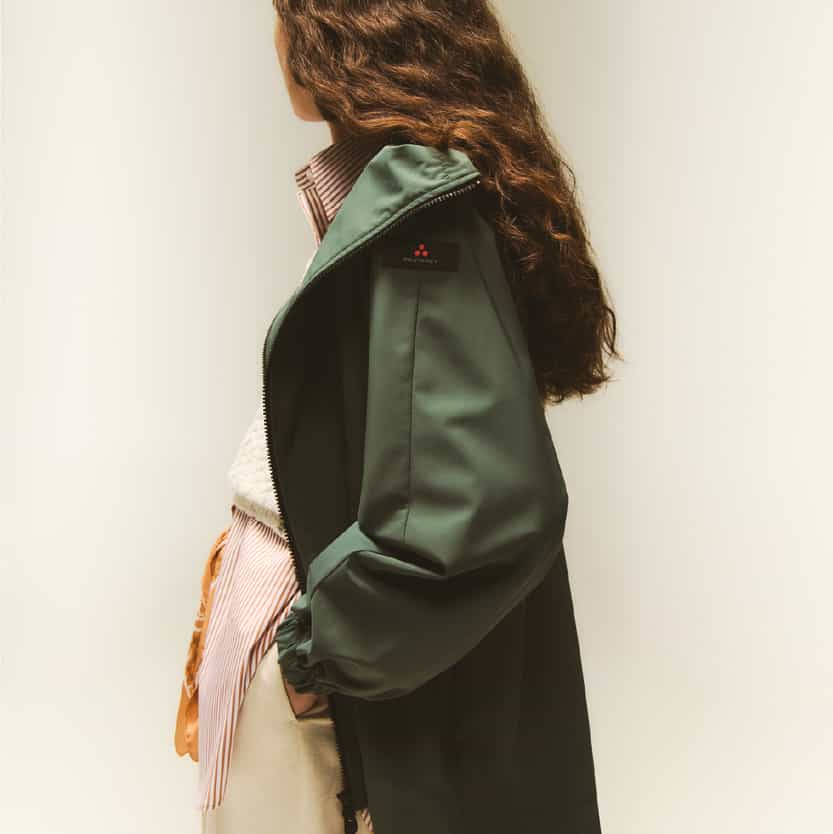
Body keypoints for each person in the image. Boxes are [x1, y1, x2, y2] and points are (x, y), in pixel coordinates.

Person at [174, 2, 619, 833]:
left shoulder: (422, 217)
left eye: (283, 17)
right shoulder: (394, 199)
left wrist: (312, 655)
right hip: (307, 645)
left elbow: (481, 508)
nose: (275, 42)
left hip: (323, 669)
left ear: (333, 39)